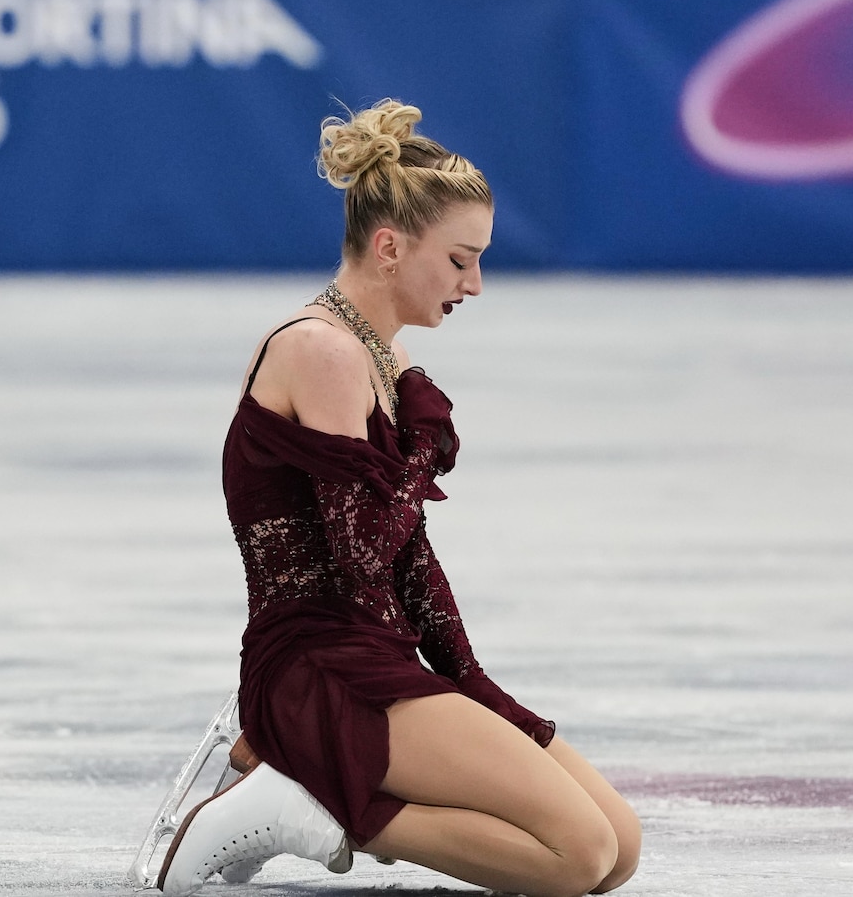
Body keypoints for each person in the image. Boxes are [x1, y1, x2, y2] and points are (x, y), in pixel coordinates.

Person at [155, 100, 642, 897]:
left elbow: (409, 555)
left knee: (618, 849)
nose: (474, 284)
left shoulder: (379, 355)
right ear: (389, 248)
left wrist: (470, 679)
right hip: (317, 671)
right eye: (459, 260)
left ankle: (319, 793)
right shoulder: (322, 352)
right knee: (576, 856)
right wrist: (420, 439)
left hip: (372, 657)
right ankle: (302, 806)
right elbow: (360, 557)